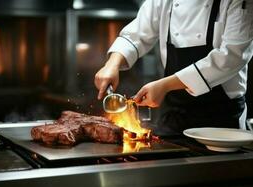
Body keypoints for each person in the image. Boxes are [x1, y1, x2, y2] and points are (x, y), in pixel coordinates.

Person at [94, 0, 253, 133]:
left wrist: (165, 85)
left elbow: (231, 56)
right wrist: (112, 64)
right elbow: (137, 33)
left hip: (221, 120)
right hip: (174, 116)